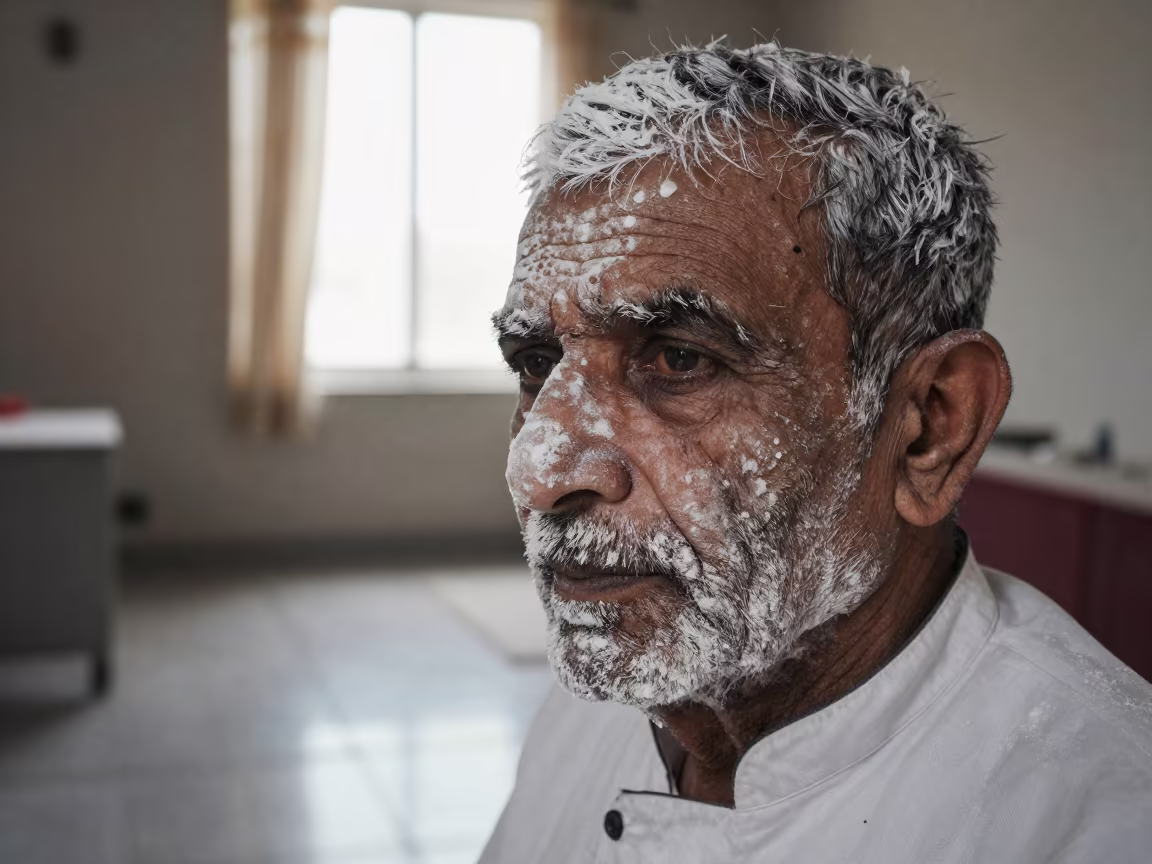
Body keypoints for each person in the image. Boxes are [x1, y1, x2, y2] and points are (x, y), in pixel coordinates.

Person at [481, 42, 1152, 863]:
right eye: (536, 364)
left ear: (929, 428)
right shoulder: (601, 697)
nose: (539, 470)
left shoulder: (1103, 822)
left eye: (679, 360)